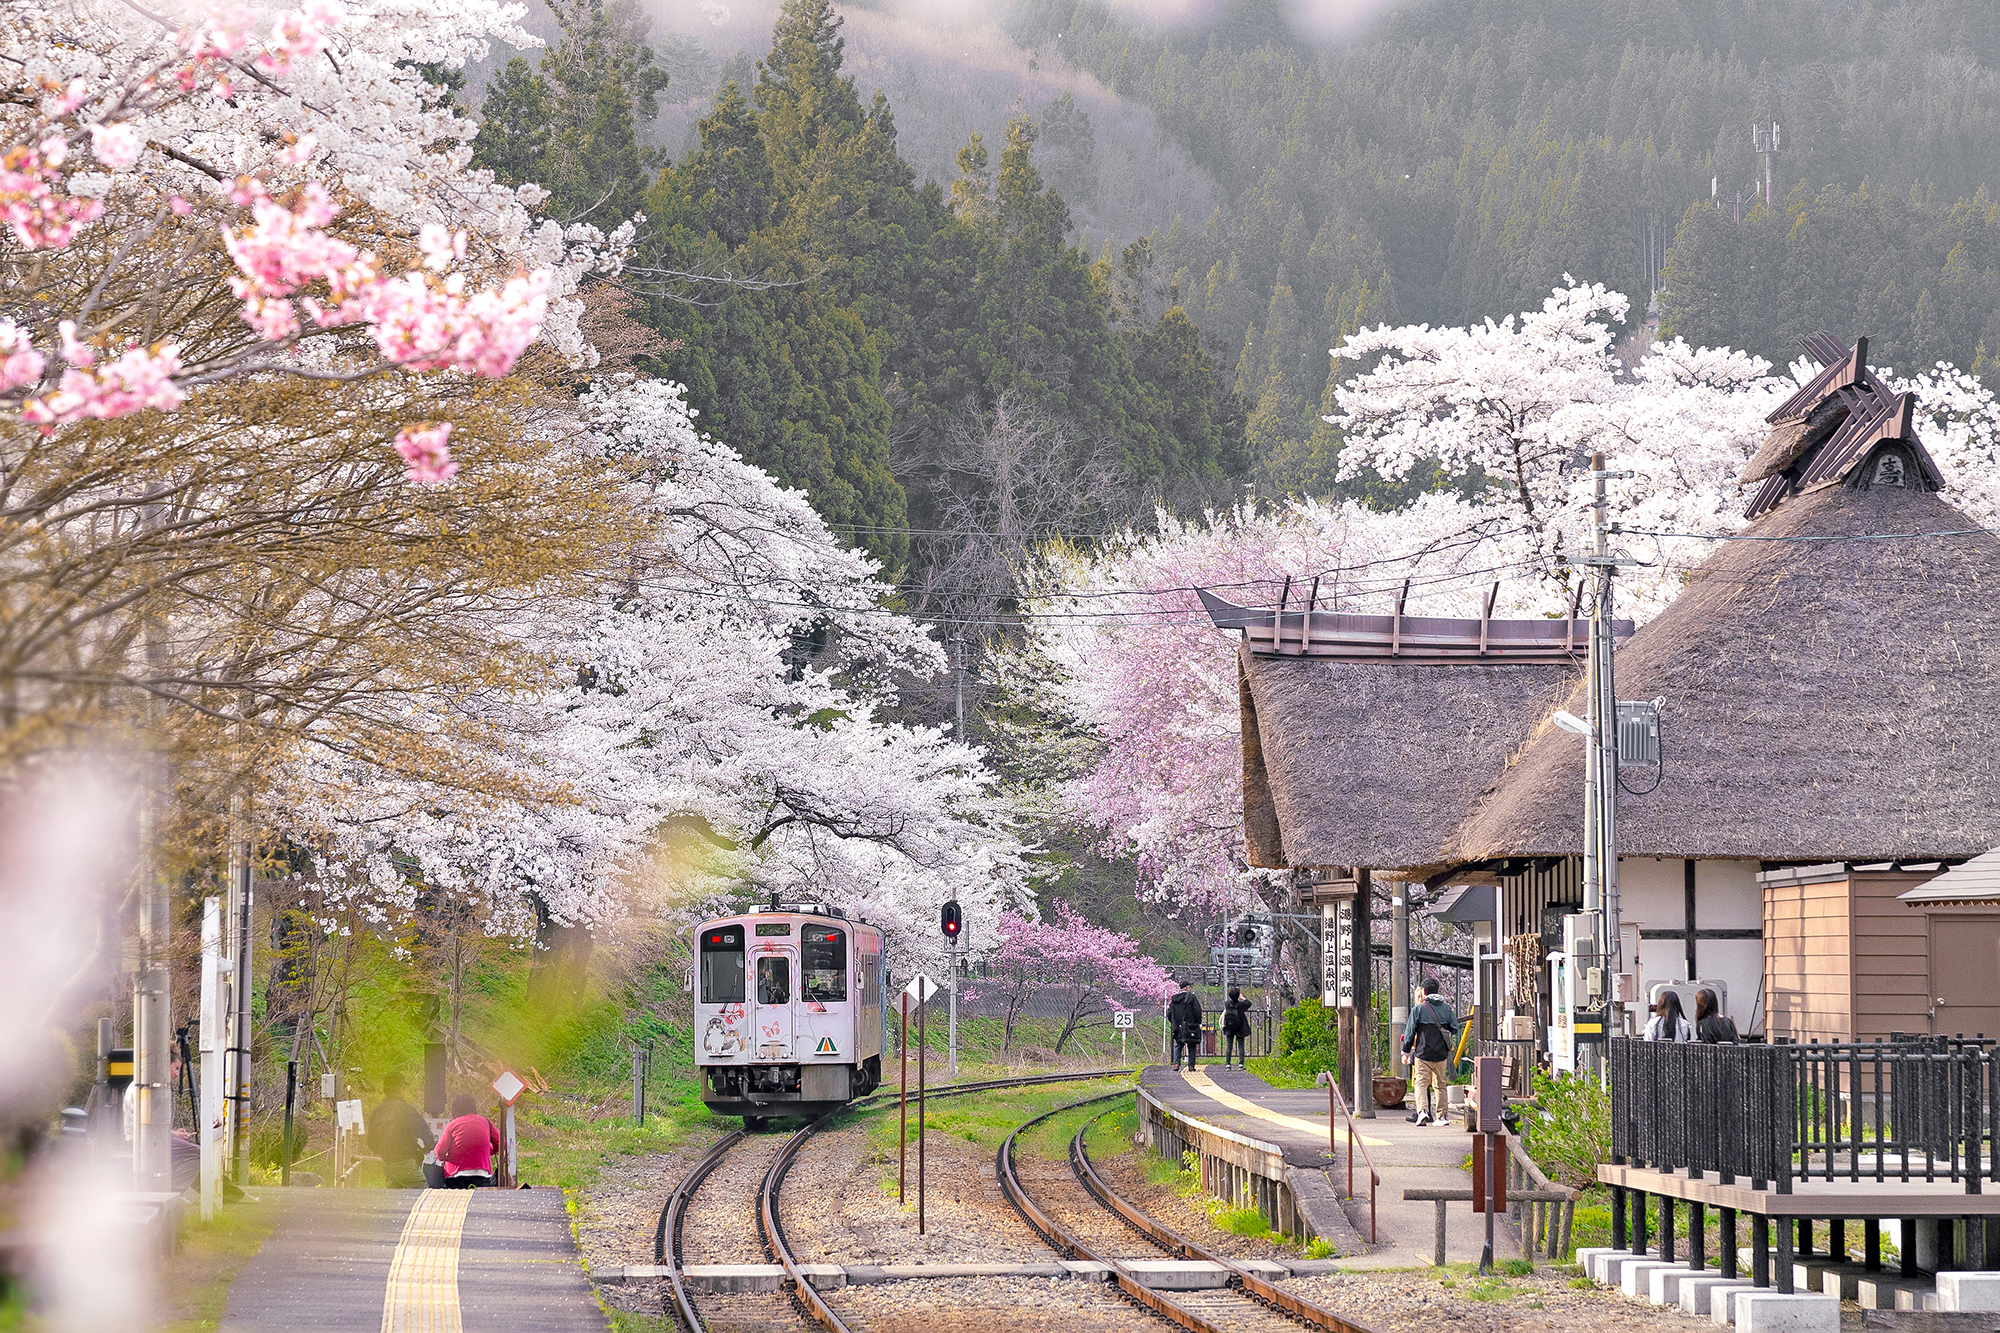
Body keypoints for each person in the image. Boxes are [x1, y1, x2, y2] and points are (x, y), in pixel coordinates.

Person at [1401, 978, 1458, 1126]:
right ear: (1437, 991)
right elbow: (1455, 1028)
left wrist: (1405, 1053)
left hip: (1423, 1053)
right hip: (1441, 1054)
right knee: (1440, 1085)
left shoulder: (1419, 1009)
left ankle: (1423, 1111)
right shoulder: (1446, 1009)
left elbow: (1409, 1034)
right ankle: (1442, 1116)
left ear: (1424, 991)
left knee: (1420, 1083)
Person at [369, 1074, 436, 1189]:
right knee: (421, 1193)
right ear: (401, 1089)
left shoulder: (377, 1112)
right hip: (406, 1162)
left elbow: (371, 1143)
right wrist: (428, 1146)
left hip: (388, 1163)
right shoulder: (406, 1109)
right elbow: (423, 1131)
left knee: (395, 1197)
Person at [426, 1093, 500, 1188]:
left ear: (455, 1109)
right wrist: (488, 1151)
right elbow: (501, 1143)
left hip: (456, 1174)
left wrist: (446, 1158)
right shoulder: (486, 1122)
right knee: (481, 1197)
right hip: (482, 1173)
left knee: (457, 1197)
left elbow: (439, 1151)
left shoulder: (453, 1124)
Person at [1167, 981, 1204, 1072]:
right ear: (1187, 988)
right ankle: (1191, 1065)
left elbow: (1169, 1012)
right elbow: (1197, 1011)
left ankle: (1176, 1063)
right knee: (1191, 1045)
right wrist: (1198, 1022)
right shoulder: (1191, 997)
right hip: (1190, 1025)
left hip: (1178, 1026)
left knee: (1178, 1044)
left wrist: (1174, 1022)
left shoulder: (1174, 998)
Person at [1220, 987, 1253, 1067]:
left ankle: (1228, 1063)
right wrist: (1242, 998)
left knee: (1229, 1045)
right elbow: (1249, 1003)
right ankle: (1241, 1063)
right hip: (1240, 1026)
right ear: (1238, 995)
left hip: (1229, 1025)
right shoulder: (1241, 1004)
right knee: (1241, 1045)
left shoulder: (1227, 1003)